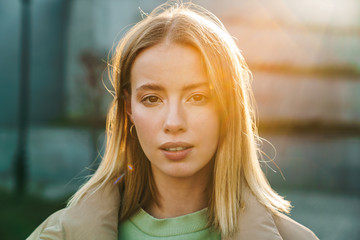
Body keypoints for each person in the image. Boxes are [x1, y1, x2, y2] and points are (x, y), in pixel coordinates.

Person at [27, 1, 318, 239]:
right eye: (152, 99)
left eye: (198, 97)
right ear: (129, 110)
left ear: (228, 108)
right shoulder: (61, 234)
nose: (174, 122)